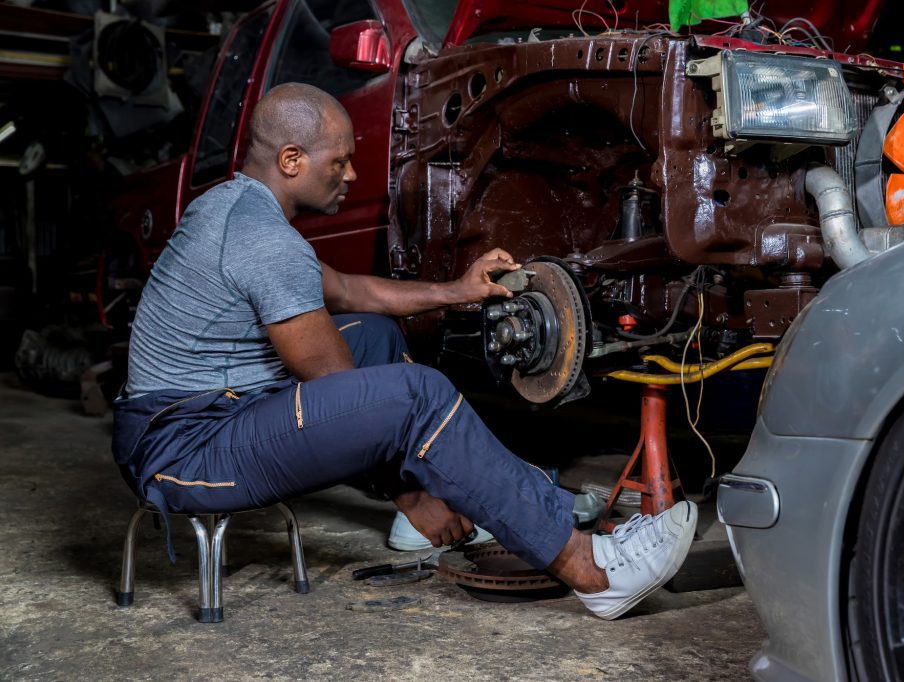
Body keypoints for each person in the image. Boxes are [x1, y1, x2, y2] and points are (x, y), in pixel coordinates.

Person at [111, 82, 697, 620]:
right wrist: (412, 494)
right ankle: (588, 568)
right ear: (291, 161)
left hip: (206, 411)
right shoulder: (263, 240)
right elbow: (345, 396)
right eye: (338, 161)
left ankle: (479, 499)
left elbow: (346, 289)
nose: (350, 173)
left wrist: (460, 290)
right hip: (183, 448)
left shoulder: (235, 206)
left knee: (373, 334)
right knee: (416, 396)